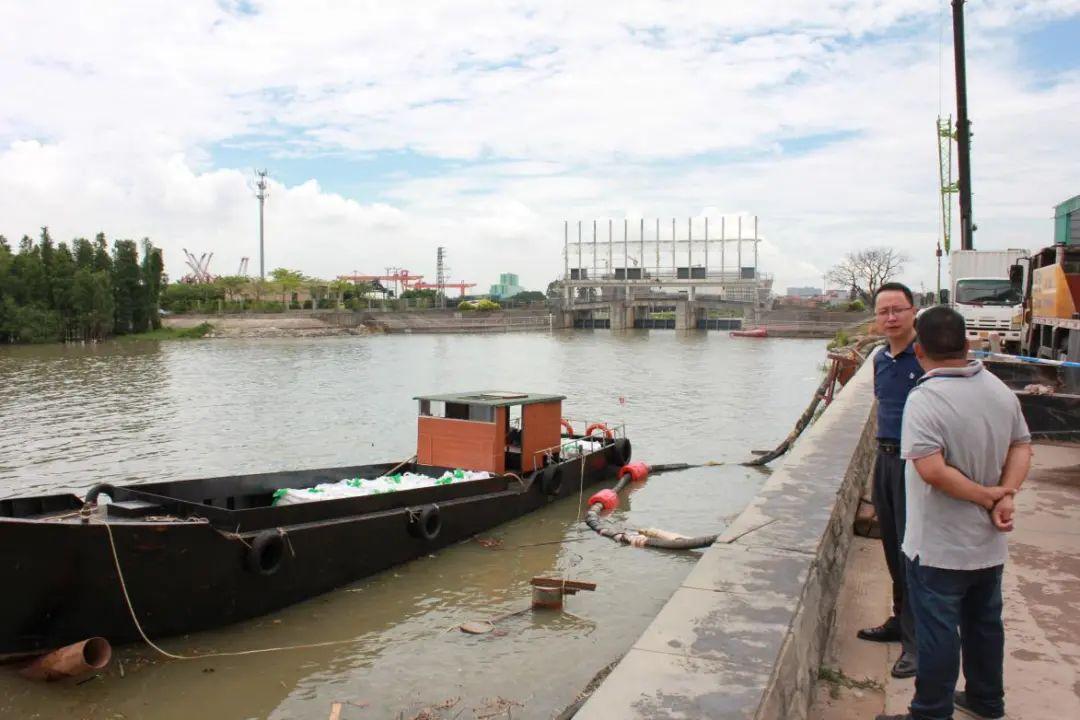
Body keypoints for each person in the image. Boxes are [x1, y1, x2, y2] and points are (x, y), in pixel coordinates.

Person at [877, 306, 1031, 720]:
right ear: (967, 345)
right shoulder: (998, 389)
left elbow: (931, 470)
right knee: (984, 626)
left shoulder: (925, 399)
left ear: (919, 350)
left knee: (937, 633)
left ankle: (930, 711)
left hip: (938, 545)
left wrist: (986, 497)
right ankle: (986, 701)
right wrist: (1006, 495)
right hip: (987, 545)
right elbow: (1021, 446)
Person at [858, 282, 921, 678]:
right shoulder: (881, 359)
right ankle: (900, 619)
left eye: (898, 309)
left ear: (914, 311)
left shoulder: (927, 357)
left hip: (917, 464)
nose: (891, 317)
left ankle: (916, 643)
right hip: (885, 460)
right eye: (884, 312)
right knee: (891, 547)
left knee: (914, 553)